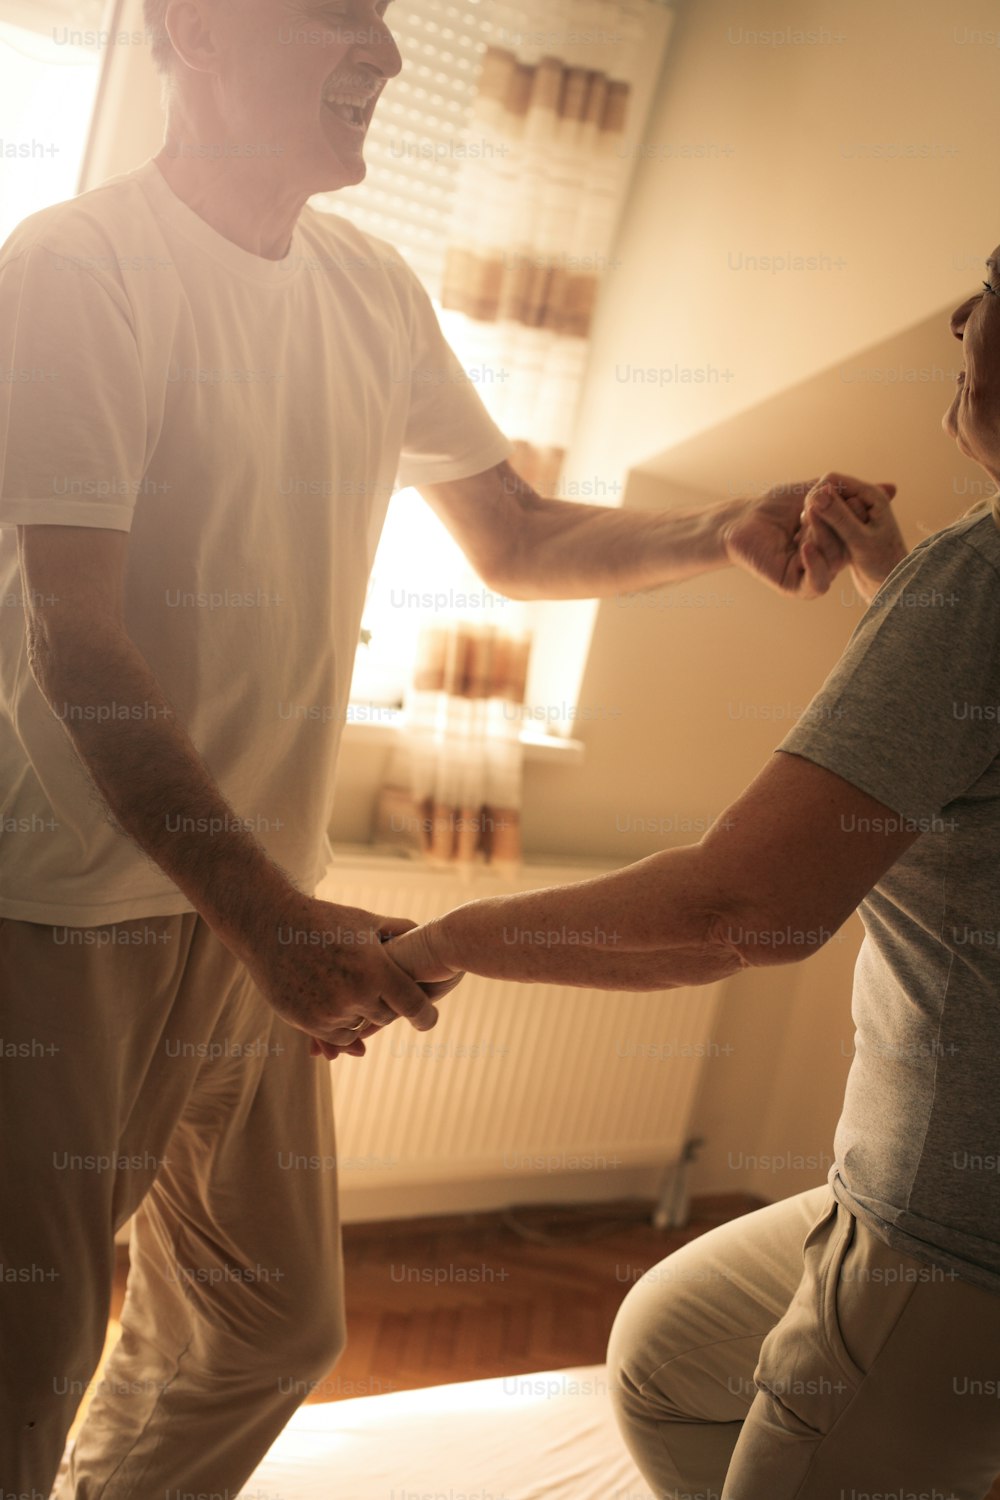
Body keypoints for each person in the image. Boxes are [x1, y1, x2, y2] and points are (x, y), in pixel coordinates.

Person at [0, 0, 904, 1494]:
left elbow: (519, 534)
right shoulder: (76, 270)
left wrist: (719, 528)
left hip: (258, 910)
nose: (386, 53)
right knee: (19, 1377)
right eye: (335, 15)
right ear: (197, 32)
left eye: (383, 15)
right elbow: (75, 642)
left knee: (267, 1327)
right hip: (62, 915)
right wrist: (270, 918)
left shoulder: (371, 287)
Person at [387, 255, 1000, 1499]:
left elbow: (738, 913)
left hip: (952, 1234)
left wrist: (433, 946)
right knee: (666, 1352)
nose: (957, 313)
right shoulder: (954, 588)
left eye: (989, 281)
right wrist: (890, 577)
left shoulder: (974, 580)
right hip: (926, 1205)